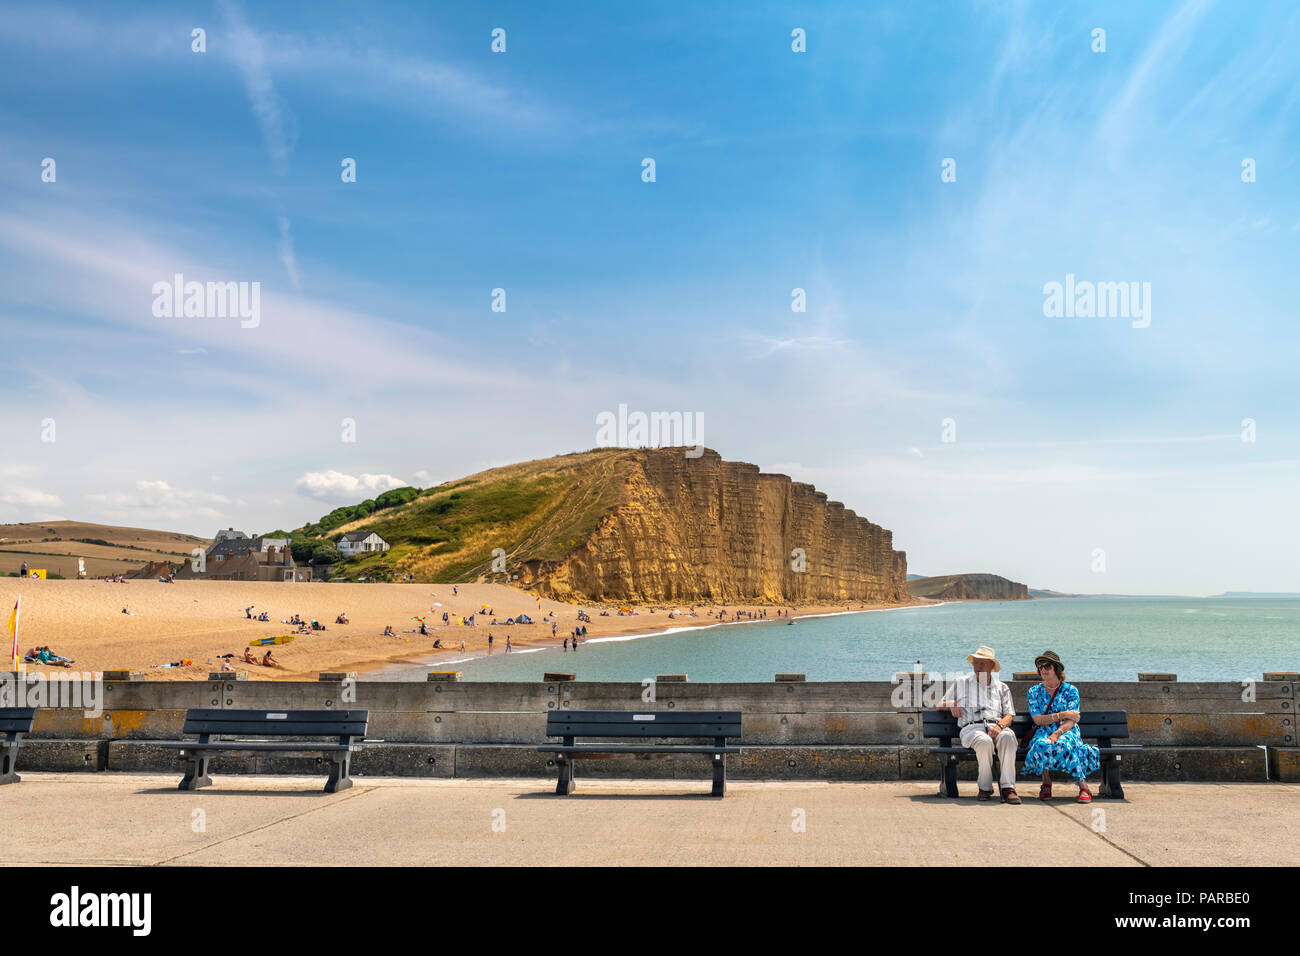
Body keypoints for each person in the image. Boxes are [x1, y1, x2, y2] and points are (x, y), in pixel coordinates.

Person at [939, 645, 1021, 804]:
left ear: (991, 666)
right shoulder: (961, 682)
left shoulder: (1002, 688)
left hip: (997, 727)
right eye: (975, 663)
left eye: (982, 663)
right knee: (984, 742)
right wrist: (951, 703)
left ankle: (1008, 788)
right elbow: (938, 703)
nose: (977, 667)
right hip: (971, 728)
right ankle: (984, 788)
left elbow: (1009, 715)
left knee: (1008, 738)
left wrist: (999, 727)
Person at [1023, 651, 1099, 803]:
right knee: (1040, 744)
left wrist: (1057, 733)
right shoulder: (1034, 692)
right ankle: (1046, 782)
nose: (1043, 670)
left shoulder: (1071, 691)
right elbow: (1038, 720)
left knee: (1064, 744)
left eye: (1047, 666)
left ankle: (1083, 786)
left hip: (1067, 729)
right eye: (1040, 667)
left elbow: (1073, 720)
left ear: (1056, 668)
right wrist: (1063, 714)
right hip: (1043, 730)